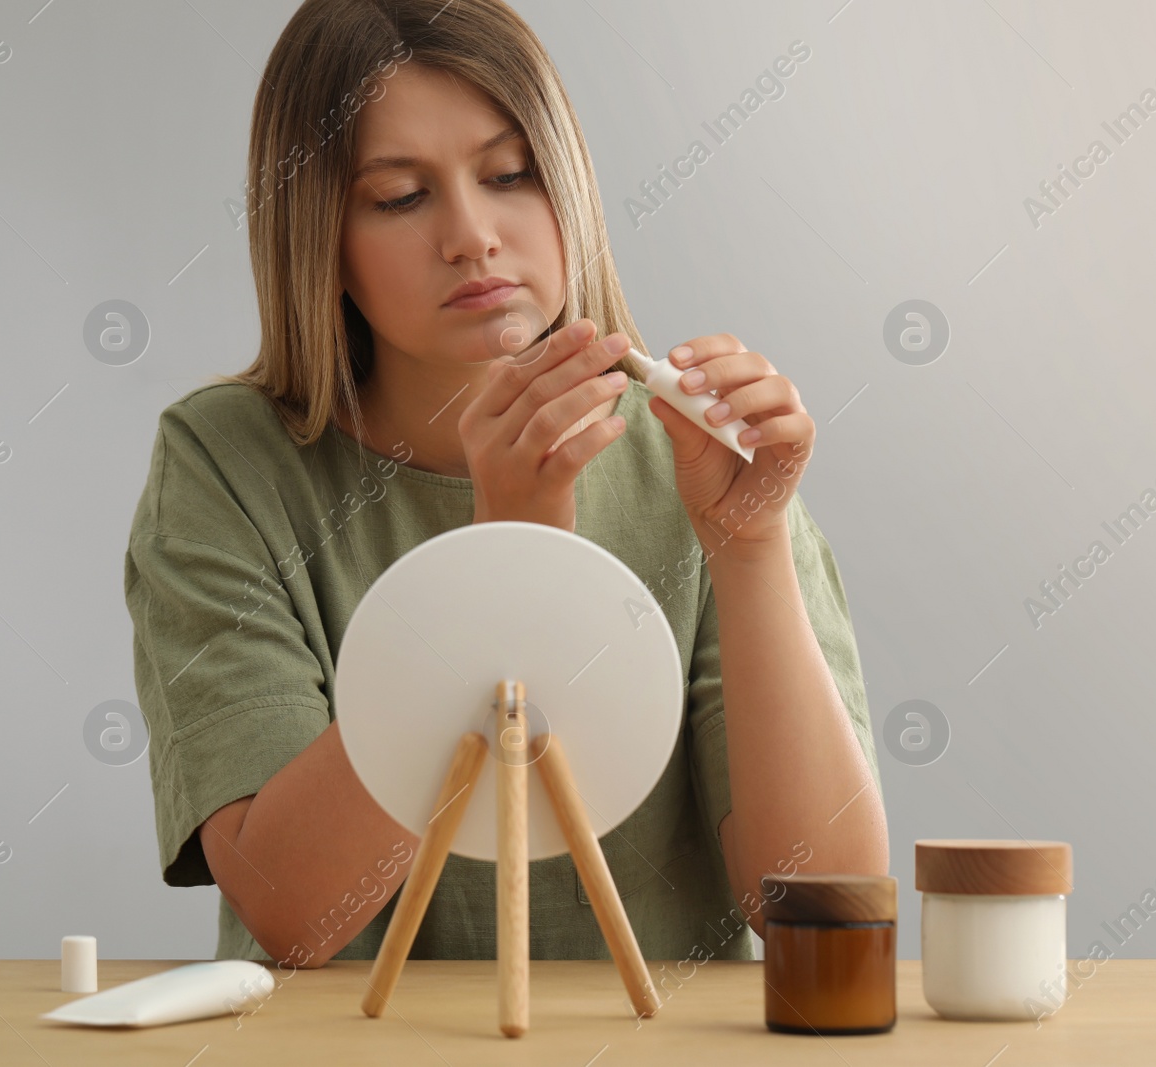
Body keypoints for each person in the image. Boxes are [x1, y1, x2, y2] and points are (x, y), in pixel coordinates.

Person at [123, 0, 886, 969]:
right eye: (400, 195)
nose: (472, 235)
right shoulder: (225, 462)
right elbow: (295, 912)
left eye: (510, 175)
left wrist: (750, 543)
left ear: (565, 182)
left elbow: (820, 905)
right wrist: (501, 566)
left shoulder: (688, 456)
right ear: (320, 239)